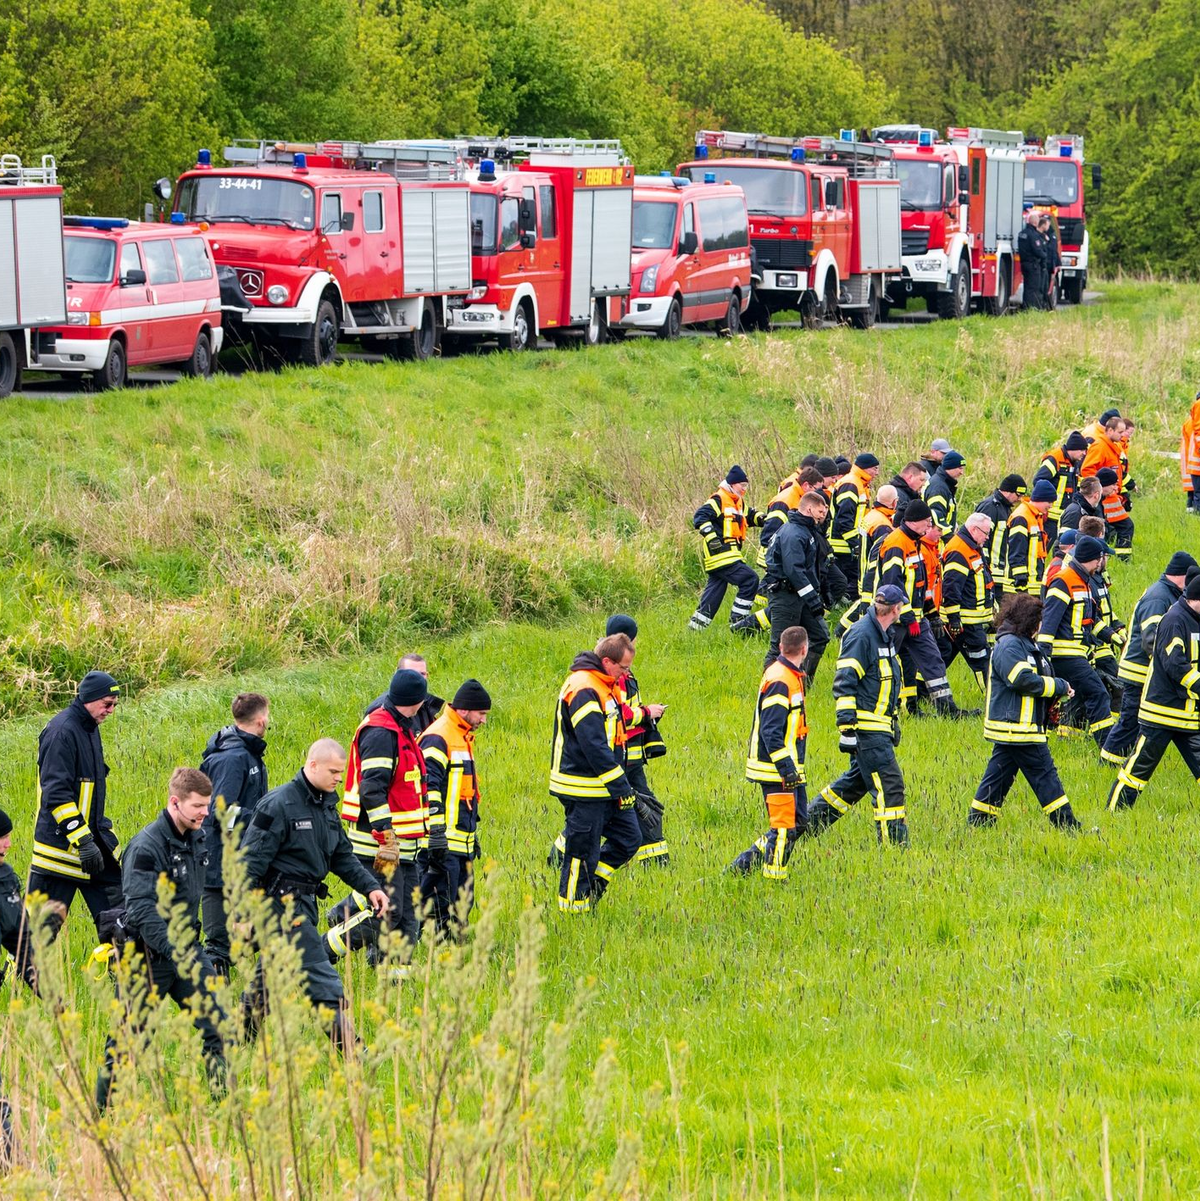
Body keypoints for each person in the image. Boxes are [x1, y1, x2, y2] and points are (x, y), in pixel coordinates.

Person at [241, 740, 389, 1049]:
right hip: (278, 907)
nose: (339, 778)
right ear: (312, 766)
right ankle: (355, 1054)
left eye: (341, 772)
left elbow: (342, 857)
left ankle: (233, 1046)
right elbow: (249, 864)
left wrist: (371, 887)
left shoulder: (325, 806)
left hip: (305, 904)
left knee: (265, 985)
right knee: (318, 976)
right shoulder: (278, 804)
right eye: (334, 771)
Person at [95, 768, 227, 1110]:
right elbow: (141, 911)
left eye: (207, 805)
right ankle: (103, 1119)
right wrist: (175, 950)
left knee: (217, 1022)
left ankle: (223, 1104)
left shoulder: (197, 836)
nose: (204, 813)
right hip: (146, 960)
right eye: (198, 806)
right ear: (174, 802)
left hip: (187, 952)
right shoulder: (146, 846)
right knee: (126, 1046)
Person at [327, 668, 429, 966]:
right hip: (380, 845)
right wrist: (385, 836)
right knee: (389, 910)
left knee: (408, 913)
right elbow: (372, 789)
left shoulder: (400, 726)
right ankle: (322, 952)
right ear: (417, 701)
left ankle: (394, 980)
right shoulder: (382, 732)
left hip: (404, 846)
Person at [968, 594, 1080, 830]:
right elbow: (1022, 680)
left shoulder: (1023, 643)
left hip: (1018, 726)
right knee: (1046, 776)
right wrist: (1059, 686)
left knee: (997, 777)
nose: (1042, 625)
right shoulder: (1010, 645)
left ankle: (978, 822)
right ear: (1030, 621)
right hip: (1018, 726)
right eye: (1040, 619)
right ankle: (1068, 825)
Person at [807, 587, 908, 845]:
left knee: (854, 785)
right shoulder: (862, 635)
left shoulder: (883, 635)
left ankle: (806, 825)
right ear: (896, 609)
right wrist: (847, 728)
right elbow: (844, 683)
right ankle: (893, 845)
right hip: (866, 729)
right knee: (890, 785)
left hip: (879, 727)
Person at [550, 633, 642, 912]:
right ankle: (572, 912)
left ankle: (592, 887)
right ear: (606, 661)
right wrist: (621, 787)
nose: (625, 674)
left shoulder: (603, 684)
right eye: (623, 668)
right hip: (583, 787)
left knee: (630, 838)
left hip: (602, 786)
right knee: (580, 853)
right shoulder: (584, 688)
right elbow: (593, 745)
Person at [28, 671, 123, 940]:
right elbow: (56, 794)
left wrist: (98, 838)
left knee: (124, 924)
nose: (111, 710)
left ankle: (125, 978)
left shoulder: (89, 728)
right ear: (89, 699)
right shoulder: (61, 732)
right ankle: (14, 979)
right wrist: (83, 840)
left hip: (92, 851)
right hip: (59, 855)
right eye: (107, 704)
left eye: (115, 704)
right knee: (34, 938)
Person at [1108, 575, 1200, 812]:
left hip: (1188, 715)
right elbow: (1175, 664)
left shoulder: (1194, 619)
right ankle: (1115, 812)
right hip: (1161, 713)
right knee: (1138, 769)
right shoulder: (1174, 620)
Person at [1101, 553, 1198, 765]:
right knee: (1130, 720)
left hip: (1147, 671)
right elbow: (1151, 640)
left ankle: (1117, 761)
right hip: (1139, 672)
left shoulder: (1167, 593)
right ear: (1181, 576)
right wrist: (1170, 667)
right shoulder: (1159, 597)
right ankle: (1108, 762)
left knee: (1135, 722)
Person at [729, 625, 809, 879]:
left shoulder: (787, 674)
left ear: (782, 647)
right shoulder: (780, 680)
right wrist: (786, 769)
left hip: (788, 767)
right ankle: (774, 879)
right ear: (804, 649)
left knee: (799, 823)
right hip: (776, 769)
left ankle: (743, 866)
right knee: (784, 827)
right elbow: (771, 732)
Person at [198, 691, 269, 977]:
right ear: (262, 720)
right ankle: (215, 1003)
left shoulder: (248, 753)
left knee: (254, 931)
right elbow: (219, 812)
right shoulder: (233, 757)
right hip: (219, 866)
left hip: (240, 862)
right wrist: (264, 821)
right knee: (218, 944)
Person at [877, 500, 967, 717]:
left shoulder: (914, 542)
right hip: (897, 620)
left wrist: (931, 612)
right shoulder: (896, 544)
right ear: (915, 521)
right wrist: (908, 617)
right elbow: (891, 586)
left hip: (917, 620)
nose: (929, 527)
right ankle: (892, 710)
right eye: (927, 522)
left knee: (933, 660)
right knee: (890, 664)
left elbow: (921, 585)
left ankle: (946, 709)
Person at [419, 679, 491, 940]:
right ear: (465, 710)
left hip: (461, 840)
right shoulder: (439, 737)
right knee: (441, 901)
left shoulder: (460, 736)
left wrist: (473, 836)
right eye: (481, 714)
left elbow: (464, 793)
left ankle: (452, 949)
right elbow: (429, 789)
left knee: (461, 901)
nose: (483, 720)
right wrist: (436, 834)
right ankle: (438, 952)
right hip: (443, 840)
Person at [1036, 534, 1118, 751]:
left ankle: (1066, 739)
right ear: (1093, 559)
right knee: (1098, 693)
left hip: (1078, 653)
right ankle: (1109, 749)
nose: (1101, 564)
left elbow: (1091, 621)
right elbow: (1049, 620)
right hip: (1065, 654)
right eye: (1100, 559)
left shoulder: (1083, 581)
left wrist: (1112, 637)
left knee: (1082, 695)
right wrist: (1042, 654)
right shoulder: (1064, 580)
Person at [606, 615, 669, 865]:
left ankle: (656, 862)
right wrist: (647, 713)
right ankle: (656, 862)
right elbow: (618, 713)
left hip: (628, 756)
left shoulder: (620, 671)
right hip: (622, 757)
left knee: (644, 807)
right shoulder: (617, 675)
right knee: (644, 808)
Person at [763, 490, 830, 679]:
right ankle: (772, 686)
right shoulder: (794, 533)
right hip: (786, 595)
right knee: (780, 646)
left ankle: (801, 683)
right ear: (809, 509)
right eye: (820, 511)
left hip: (801, 596)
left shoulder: (807, 530)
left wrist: (820, 594)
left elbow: (812, 568)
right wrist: (813, 599)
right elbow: (795, 571)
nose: (823, 515)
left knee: (820, 636)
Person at [689, 465, 764, 633]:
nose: (744, 489)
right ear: (732, 484)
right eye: (742, 486)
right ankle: (738, 623)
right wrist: (712, 538)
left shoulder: (737, 501)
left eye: (746, 486)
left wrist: (764, 519)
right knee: (750, 579)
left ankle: (694, 630)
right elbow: (700, 517)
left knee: (714, 593)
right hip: (721, 555)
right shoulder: (719, 499)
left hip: (729, 555)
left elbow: (750, 516)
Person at [751, 465, 824, 631]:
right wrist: (783, 553)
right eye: (816, 490)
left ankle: (747, 625)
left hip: (788, 559)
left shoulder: (798, 499)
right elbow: (768, 534)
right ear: (806, 486)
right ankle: (746, 626)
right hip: (780, 561)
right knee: (777, 608)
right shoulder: (786, 500)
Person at [0, 808, 65, 994]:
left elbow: (20, 941)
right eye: (3, 837)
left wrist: (50, 997)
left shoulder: (6, 880)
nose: (9, 844)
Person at [941, 513, 995, 692]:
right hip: (965, 621)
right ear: (973, 529)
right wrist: (954, 618)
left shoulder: (971, 547)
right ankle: (991, 698)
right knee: (981, 659)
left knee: (942, 657)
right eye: (985, 533)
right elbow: (951, 588)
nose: (987, 538)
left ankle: (921, 692)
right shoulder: (959, 550)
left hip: (971, 619)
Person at [839, 484, 897, 634]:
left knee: (863, 603)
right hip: (871, 574)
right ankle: (846, 631)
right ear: (894, 503)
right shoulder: (883, 525)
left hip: (863, 569)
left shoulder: (871, 516)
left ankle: (843, 629)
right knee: (867, 606)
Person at [1081, 416, 1133, 560]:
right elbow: (1087, 470)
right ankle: (1115, 558)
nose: (1123, 435)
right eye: (1120, 432)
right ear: (1109, 430)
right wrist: (1100, 489)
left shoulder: (1114, 446)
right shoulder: (1100, 446)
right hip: (1104, 498)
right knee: (1117, 527)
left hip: (1113, 496)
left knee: (1123, 527)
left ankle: (1120, 559)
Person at [829, 453, 879, 591]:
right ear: (865, 468)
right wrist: (855, 544)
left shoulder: (858, 483)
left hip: (846, 543)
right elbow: (844, 519)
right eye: (875, 469)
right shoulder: (851, 484)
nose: (877, 472)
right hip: (842, 544)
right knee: (848, 583)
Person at [974, 474, 1026, 600]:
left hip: (999, 573)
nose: (1019, 499)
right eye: (1018, 495)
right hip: (991, 571)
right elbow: (980, 540)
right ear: (1008, 491)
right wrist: (985, 567)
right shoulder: (990, 507)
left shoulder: (1005, 509)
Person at [365, 653, 444, 735]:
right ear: (398, 674)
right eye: (411, 673)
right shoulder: (381, 709)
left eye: (422, 674)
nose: (417, 678)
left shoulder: (428, 703)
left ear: (427, 676)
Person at [1033, 431, 1088, 542]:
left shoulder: (1074, 463)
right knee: (1043, 547)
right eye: (1082, 450)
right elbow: (1038, 481)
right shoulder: (1055, 459)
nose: (1084, 454)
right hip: (1050, 515)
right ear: (1074, 448)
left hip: (1065, 515)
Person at [1005, 480, 1055, 595]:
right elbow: (1017, 551)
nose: (1051, 506)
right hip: (1021, 586)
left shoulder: (1035, 516)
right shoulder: (1022, 517)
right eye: (1049, 502)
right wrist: (1021, 581)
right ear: (1040, 498)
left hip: (1031, 584)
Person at [924, 450, 964, 544]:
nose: (962, 472)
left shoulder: (944, 484)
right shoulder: (939, 488)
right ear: (950, 467)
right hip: (939, 542)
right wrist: (951, 540)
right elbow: (936, 517)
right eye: (960, 468)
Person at [1018, 208, 1047, 310]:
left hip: (1024, 264)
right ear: (1035, 223)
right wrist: (1045, 255)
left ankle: (1025, 306)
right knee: (1034, 288)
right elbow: (1037, 250)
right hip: (1033, 265)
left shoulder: (1022, 233)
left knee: (1027, 287)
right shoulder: (1033, 235)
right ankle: (1031, 308)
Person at [888, 461, 929, 529]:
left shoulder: (909, 494)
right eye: (921, 480)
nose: (923, 484)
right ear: (910, 478)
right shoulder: (898, 496)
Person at [1181, 392, 1200, 514]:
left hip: (1192, 461)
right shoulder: (1192, 423)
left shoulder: (1189, 422)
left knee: (1196, 492)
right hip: (1196, 460)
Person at [1039, 213, 1060, 305]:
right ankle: (1043, 304)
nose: (1048, 224)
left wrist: (1057, 264)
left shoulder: (1052, 234)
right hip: (1044, 263)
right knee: (1043, 286)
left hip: (1050, 264)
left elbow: (1054, 250)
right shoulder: (1040, 234)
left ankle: (1046, 304)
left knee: (1047, 286)